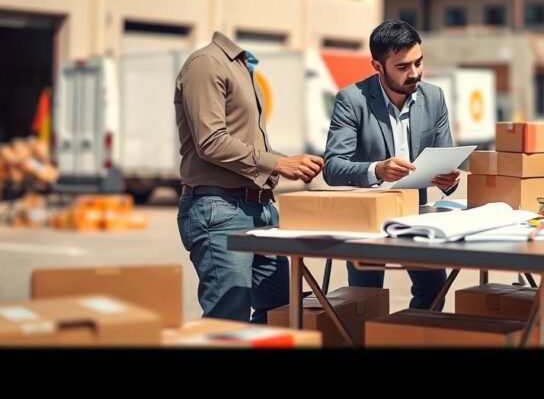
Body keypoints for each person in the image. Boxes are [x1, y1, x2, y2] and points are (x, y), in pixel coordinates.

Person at [176, 31, 324, 323]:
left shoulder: (242, 68)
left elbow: (247, 145)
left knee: (278, 315)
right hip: (220, 210)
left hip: (260, 209)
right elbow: (211, 141)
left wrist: (290, 163)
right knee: (229, 321)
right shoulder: (207, 63)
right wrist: (278, 163)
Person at [322, 19, 458, 309]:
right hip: (367, 218)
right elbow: (332, 167)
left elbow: (446, 157)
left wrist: (450, 180)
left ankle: (408, 331)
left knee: (435, 292)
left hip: (417, 215)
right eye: (403, 67)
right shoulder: (352, 100)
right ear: (377, 66)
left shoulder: (434, 97)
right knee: (364, 300)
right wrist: (377, 170)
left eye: (418, 63)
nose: (414, 73)